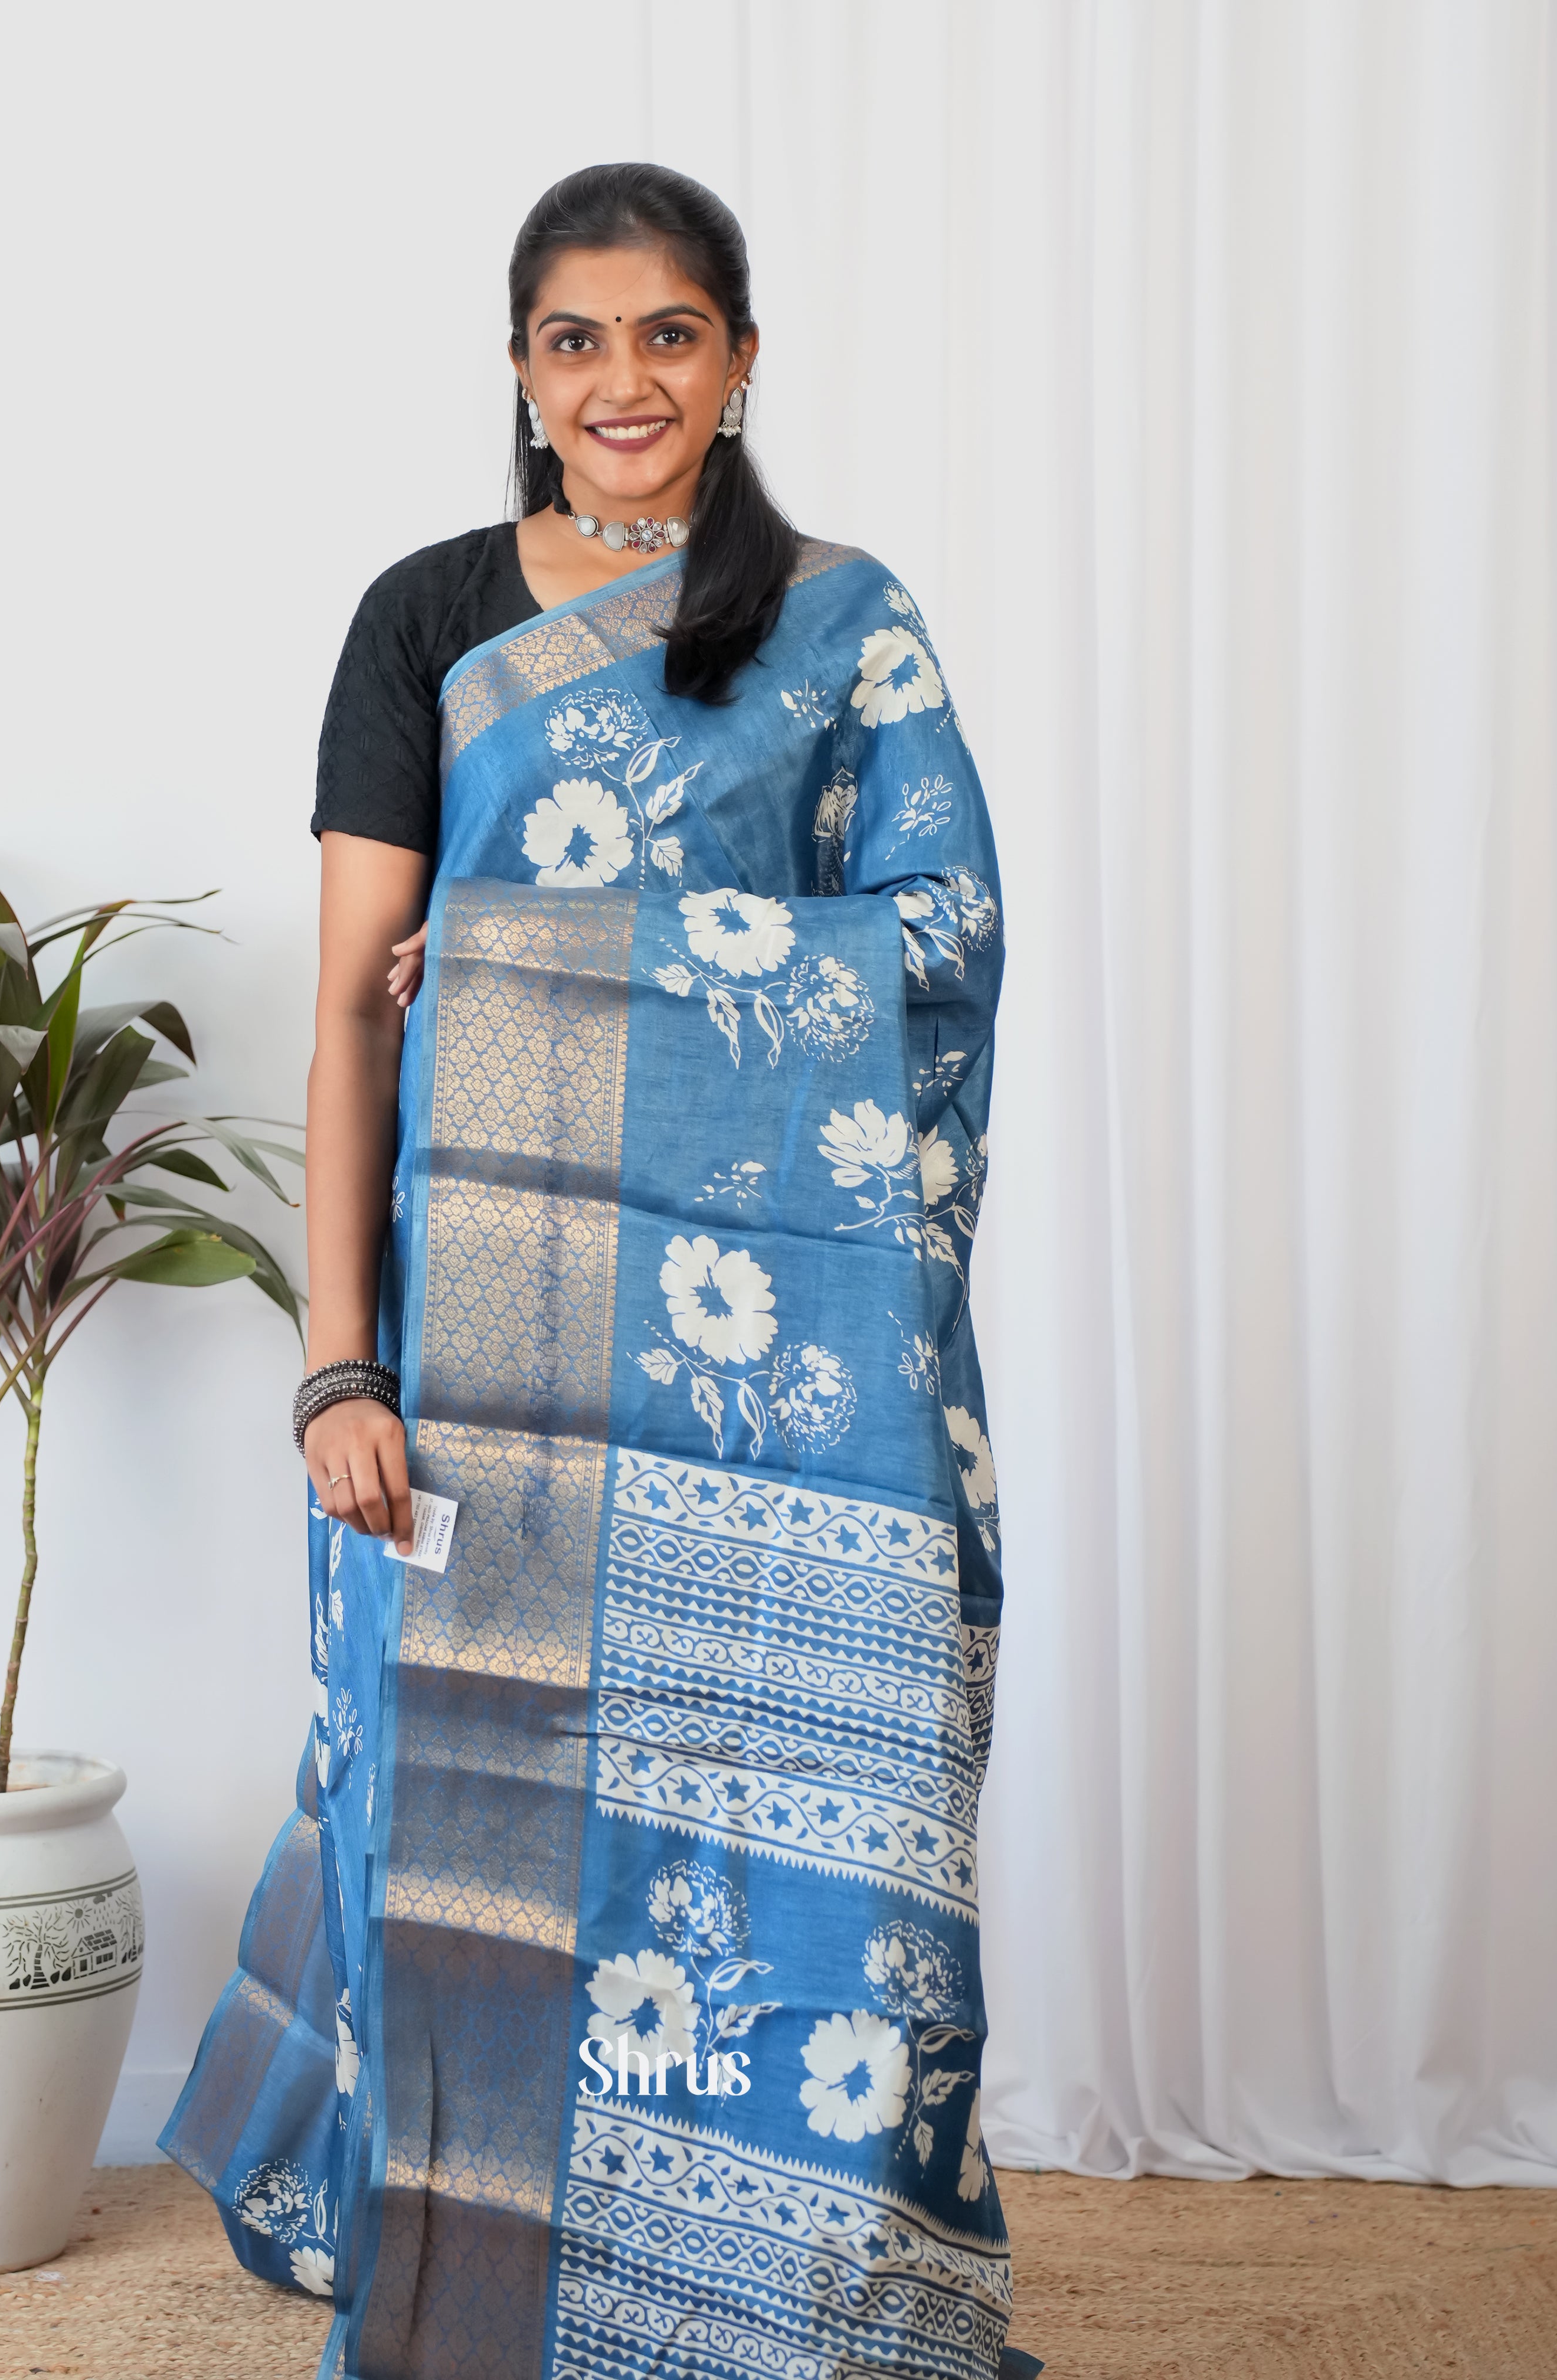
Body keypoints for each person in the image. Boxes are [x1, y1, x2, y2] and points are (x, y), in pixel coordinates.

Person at [162, 162, 1038, 2380]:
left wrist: (551, 959)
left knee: (804, 1868)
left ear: (740, 361)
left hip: (787, 1404)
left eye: (668, 333)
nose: (622, 380)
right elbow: (359, 1012)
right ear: (521, 371)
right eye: (576, 338)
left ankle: (794, 2317)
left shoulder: (845, 624)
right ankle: (475, 2307)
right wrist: (337, 1369)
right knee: (467, 1855)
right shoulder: (432, 616)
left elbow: (941, 953)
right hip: (492, 1369)